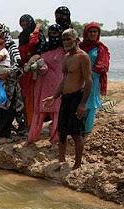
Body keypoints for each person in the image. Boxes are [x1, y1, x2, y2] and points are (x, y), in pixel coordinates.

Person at [43, 29, 92, 169]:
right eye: (64, 39)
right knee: (62, 131)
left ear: (77, 40)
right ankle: (61, 160)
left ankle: (77, 165)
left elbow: (88, 81)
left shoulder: (83, 57)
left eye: (69, 39)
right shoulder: (66, 57)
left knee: (77, 133)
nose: (66, 42)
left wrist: (83, 104)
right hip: (65, 98)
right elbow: (64, 80)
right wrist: (55, 96)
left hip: (77, 97)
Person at [0, 22, 25, 139]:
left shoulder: (11, 46)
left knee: (8, 108)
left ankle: (7, 133)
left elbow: (19, 65)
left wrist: (8, 73)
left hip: (10, 82)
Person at [27, 24, 65, 144]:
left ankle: (55, 138)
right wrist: (35, 64)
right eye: (52, 33)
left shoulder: (65, 49)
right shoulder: (44, 47)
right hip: (42, 84)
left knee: (57, 112)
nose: (54, 36)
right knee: (39, 110)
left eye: (56, 33)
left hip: (58, 84)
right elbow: (38, 61)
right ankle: (32, 137)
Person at [79, 22, 110, 134]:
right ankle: (78, 129)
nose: (92, 34)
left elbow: (103, 66)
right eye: (90, 32)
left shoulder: (101, 48)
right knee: (79, 103)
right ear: (86, 33)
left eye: (95, 32)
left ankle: (87, 131)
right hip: (78, 80)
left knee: (90, 105)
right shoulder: (80, 47)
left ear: (98, 33)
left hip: (93, 80)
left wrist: (88, 74)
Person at [18, 15, 46, 128]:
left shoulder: (38, 35)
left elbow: (34, 44)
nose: (24, 26)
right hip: (23, 71)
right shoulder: (22, 36)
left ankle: (32, 124)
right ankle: (26, 122)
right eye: (22, 23)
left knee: (32, 97)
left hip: (33, 71)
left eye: (26, 23)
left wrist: (36, 30)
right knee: (23, 97)